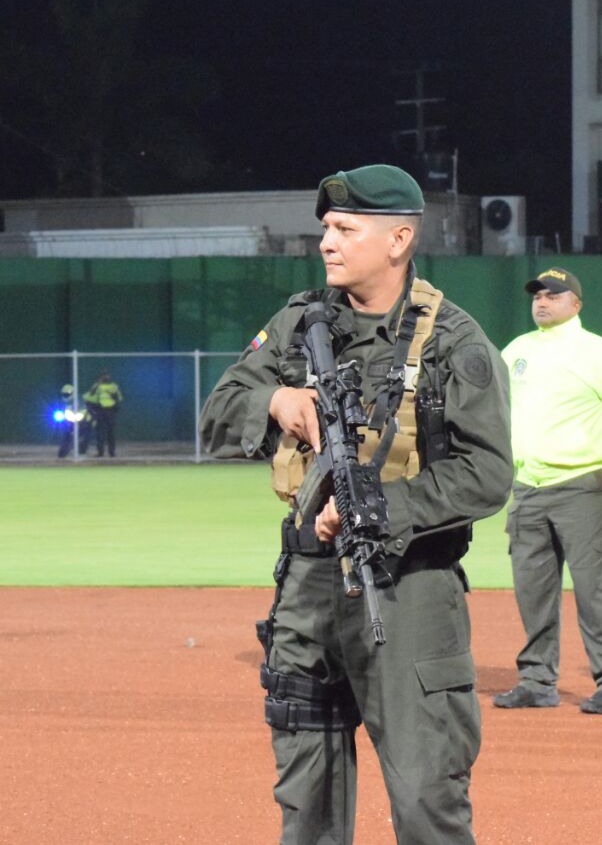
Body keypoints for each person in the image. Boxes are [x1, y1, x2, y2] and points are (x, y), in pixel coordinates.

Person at [199, 164, 513, 844]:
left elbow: (487, 474)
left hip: (408, 589)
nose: (326, 242)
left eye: (345, 229)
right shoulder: (298, 323)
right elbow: (217, 416)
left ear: (398, 239)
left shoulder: (454, 342)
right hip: (308, 585)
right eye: (326, 229)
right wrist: (276, 400)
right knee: (306, 800)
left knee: (427, 797)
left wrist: (380, 508)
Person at [492, 266, 602, 715]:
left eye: (553, 295)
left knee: (594, 589)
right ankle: (537, 680)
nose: (541, 301)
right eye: (537, 295)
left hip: (581, 485)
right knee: (532, 590)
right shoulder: (517, 350)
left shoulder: (601, 353)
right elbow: (497, 411)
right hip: (528, 487)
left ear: (576, 304)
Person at [84, 371, 122, 456]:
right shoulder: (97, 386)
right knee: (100, 432)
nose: (105, 377)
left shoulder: (113, 386)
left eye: (106, 375)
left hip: (110, 411)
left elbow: (118, 398)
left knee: (110, 433)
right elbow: (90, 396)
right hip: (100, 411)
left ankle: (111, 452)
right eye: (104, 375)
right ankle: (101, 452)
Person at [56, 383, 90, 458]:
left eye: (67, 394)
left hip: (81, 420)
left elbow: (83, 410)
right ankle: (63, 452)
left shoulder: (79, 399)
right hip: (69, 420)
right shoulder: (63, 401)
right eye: (64, 394)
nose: (66, 396)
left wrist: (79, 416)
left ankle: (82, 452)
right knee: (66, 435)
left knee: (84, 436)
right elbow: (61, 409)